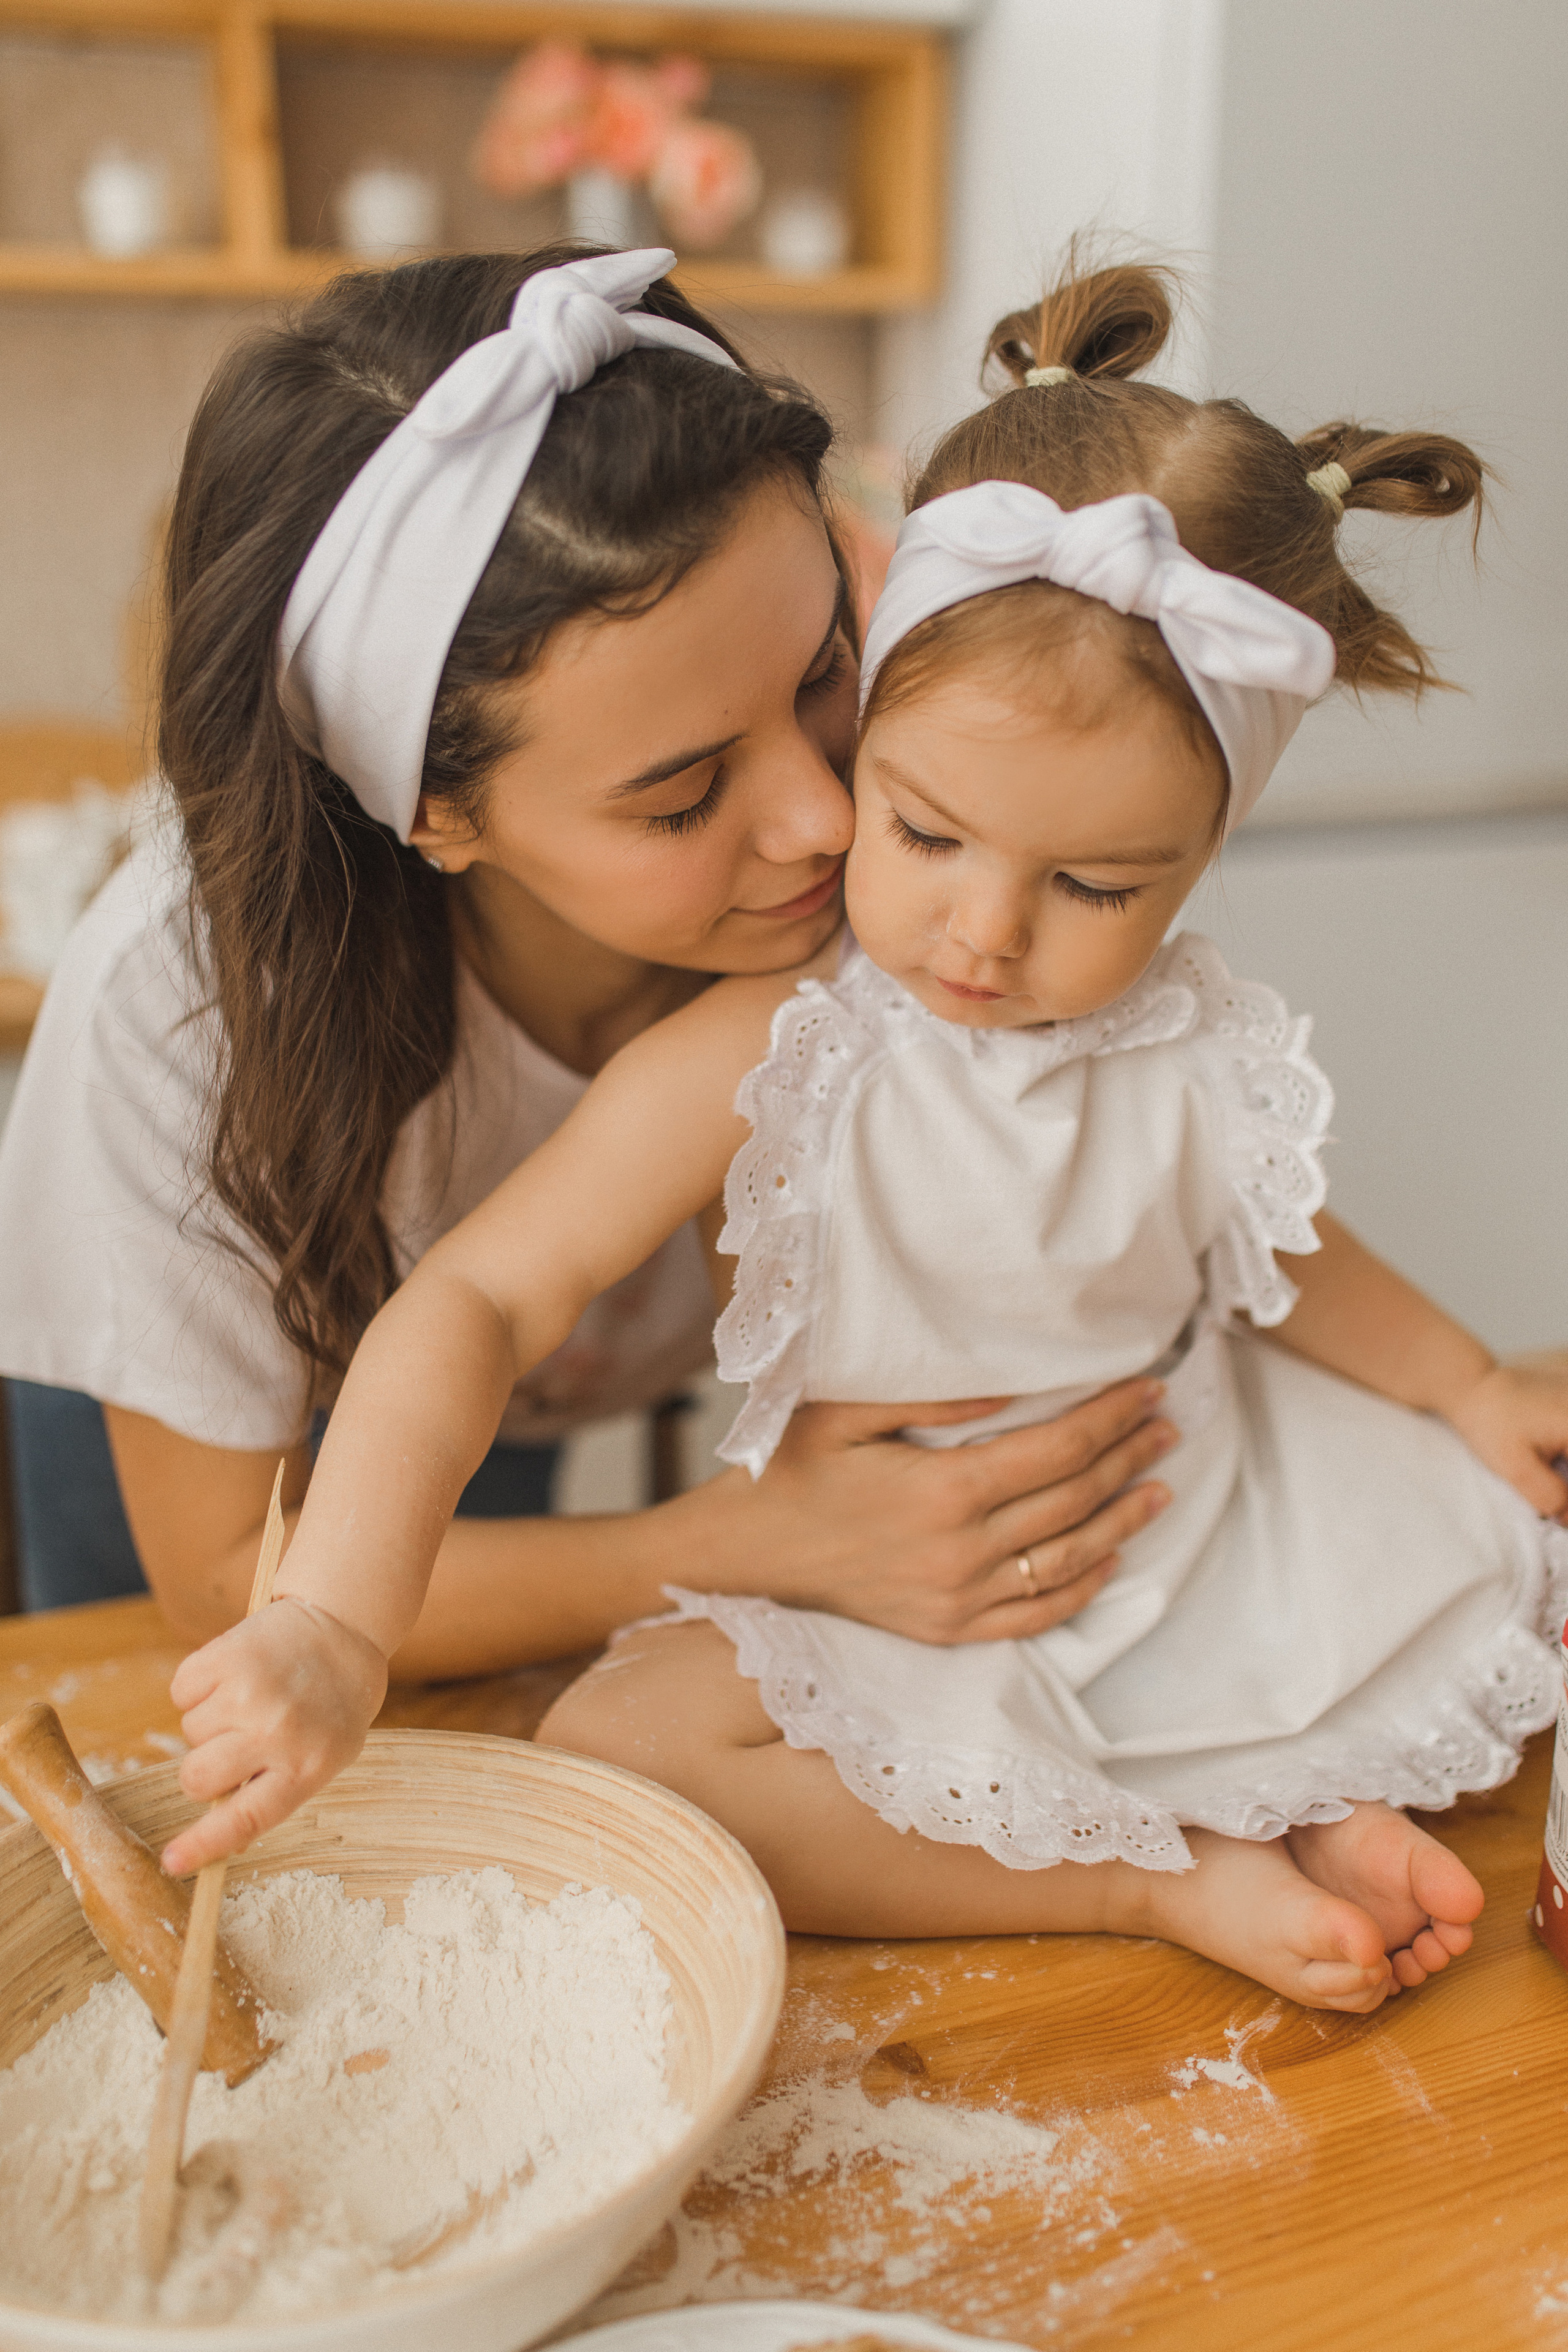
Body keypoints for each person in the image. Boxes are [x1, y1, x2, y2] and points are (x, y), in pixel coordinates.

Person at [163, 254, 1568, 2014]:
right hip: (882, 1586)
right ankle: (1171, 1880)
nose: (986, 933)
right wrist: (333, 1623)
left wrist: (1459, 1389)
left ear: (1198, 866)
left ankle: (1303, 1813)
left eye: (1093, 884)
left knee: (1462, 1573)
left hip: (1177, 1518)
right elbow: (480, 1305)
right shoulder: (788, 1036)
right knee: (625, 1754)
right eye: (924, 834)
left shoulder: (1189, 1036)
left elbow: (1282, 1256)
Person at [0, 244, 1175, 1657]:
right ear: (433, 816)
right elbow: (216, 1587)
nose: (819, 819)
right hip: (237, 1461)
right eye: (681, 796)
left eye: (820, 670)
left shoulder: (945, 865)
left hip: (508, 1407)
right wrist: (745, 1545)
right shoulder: (183, 1007)